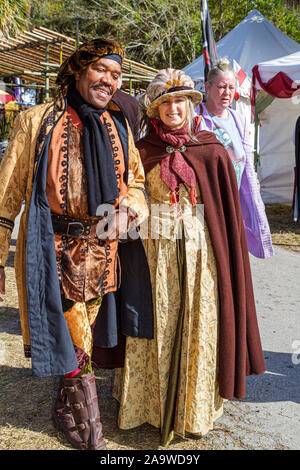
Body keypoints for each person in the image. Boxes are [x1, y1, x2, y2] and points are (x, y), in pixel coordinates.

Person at [0, 38, 153, 450]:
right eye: (101, 70)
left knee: (78, 337)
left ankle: (65, 407)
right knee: (77, 341)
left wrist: (131, 210)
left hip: (104, 253)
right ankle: (90, 435)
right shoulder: (37, 121)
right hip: (52, 250)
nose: (109, 80)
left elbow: (136, 183)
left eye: (117, 75)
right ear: (79, 70)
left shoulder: (117, 124)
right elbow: (6, 196)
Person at [113, 68, 266, 446]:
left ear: (191, 104)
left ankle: (192, 409)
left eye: (180, 100)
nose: (173, 108)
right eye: (165, 102)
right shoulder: (141, 151)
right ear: (155, 110)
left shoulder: (210, 148)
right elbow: (132, 195)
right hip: (153, 252)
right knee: (155, 324)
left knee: (199, 324)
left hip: (201, 255)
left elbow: (225, 210)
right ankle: (146, 407)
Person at [197, 58, 273, 259]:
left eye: (231, 87)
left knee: (230, 258)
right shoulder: (196, 118)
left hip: (233, 202)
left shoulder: (238, 120)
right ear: (208, 86)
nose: (227, 93)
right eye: (221, 87)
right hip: (205, 202)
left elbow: (246, 163)